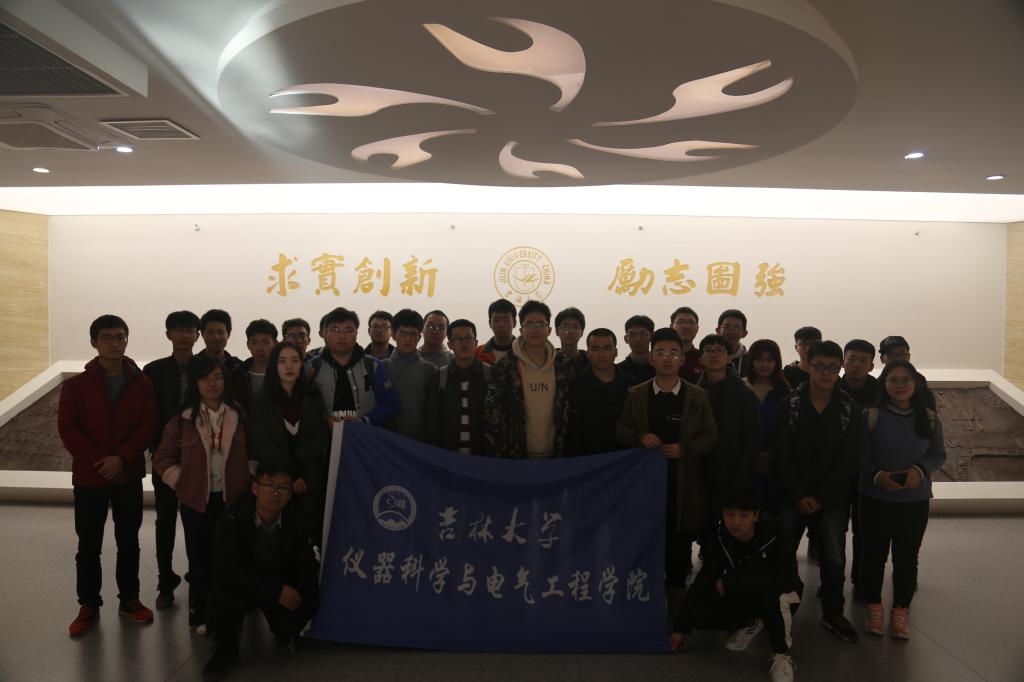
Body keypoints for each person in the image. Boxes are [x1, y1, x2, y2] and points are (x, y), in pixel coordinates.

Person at [59, 314, 159, 637]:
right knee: (88, 544)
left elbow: (148, 424)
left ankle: (129, 599)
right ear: (93, 342)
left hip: (127, 475)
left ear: (127, 340)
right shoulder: (75, 386)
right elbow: (69, 429)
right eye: (107, 337)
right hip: (89, 477)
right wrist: (101, 462)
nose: (115, 344)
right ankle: (88, 603)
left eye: (120, 337)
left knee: (129, 541)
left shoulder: (141, 383)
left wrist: (121, 458)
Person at [153, 354, 250, 635]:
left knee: (230, 557)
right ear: (195, 382)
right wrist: (182, 482)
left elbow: (254, 454)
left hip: (232, 500)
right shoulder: (182, 420)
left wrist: (248, 481)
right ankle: (200, 612)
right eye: (206, 378)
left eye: (218, 377)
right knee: (199, 559)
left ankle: (229, 610)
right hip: (197, 501)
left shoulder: (239, 416)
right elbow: (162, 459)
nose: (213, 383)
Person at [773, 340, 862, 643]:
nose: (826, 372)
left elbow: (848, 459)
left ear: (840, 369)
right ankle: (780, 605)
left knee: (834, 556)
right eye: (820, 366)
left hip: (832, 498)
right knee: (784, 551)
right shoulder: (790, 405)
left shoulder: (849, 409)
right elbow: (782, 454)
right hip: (792, 495)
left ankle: (833, 611)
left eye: (832, 367)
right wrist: (800, 494)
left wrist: (821, 497)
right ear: (808, 366)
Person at [616, 328, 717, 588]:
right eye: (660, 353)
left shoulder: (697, 396)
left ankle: (675, 592)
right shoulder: (636, 394)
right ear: (651, 358)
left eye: (673, 353)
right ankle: (644, 591)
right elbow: (621, 430)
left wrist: (686, 449)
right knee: (645, 534)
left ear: (682, 359)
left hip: (682, 479)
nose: (667, 359)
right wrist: (641, 436)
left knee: (678, 538)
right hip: (645, 481)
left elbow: (710, 436)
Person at [202, 461, 320, 681]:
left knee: (291, 622)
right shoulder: (230, 520)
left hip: (277, 580)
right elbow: (228, 570)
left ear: (289, 494)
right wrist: (276, 591)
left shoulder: (297, 522)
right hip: (243, 585)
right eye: (269, 485)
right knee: (222, 597)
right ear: (255, 488)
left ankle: (286, 630)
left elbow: (306, 566)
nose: (275, 493)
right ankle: (224, 649)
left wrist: (308, 608)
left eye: (283, 488)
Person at [669, 496, 802, 682]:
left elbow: (787, 580)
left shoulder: (776, 533)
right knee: (700, 614)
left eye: (744, 515)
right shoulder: (721, 538)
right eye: (729, 514)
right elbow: (703, 581)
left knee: (777, 599)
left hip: (781, 594)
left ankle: (782, 655)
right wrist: (679, 628)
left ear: (756, 516)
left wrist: (734, 581)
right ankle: (751, 623)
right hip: (745, 594)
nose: (736, 522)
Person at [859, 360, 946, 640]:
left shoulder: (929, 418)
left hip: (914, 501)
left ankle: (900, 611)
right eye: (892, 380)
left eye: (905, 380)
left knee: (907, 558)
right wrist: (877, 476)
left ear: (915, 383)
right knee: (873, 556)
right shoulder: (870, 416)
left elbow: (938, 454)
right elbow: (858, 454)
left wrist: (918, 471)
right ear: (883, 384)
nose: (899, 385)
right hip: (875, 498)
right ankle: (874, 608)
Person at [143, 309, 200, 608]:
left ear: (197, 335)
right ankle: (165, 581)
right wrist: (156, 449)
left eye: (190, 330)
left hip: (199, 458)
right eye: (179, 330)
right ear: (168, 335)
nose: (184, 335)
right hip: (165, 457)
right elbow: (147, 413)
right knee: (165, 519)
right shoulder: (153, 370)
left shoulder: (206, 366)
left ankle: (197, 577)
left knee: (196, 521)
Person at [248, 342, 329, 541]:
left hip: (309, 479)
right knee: (280, 537)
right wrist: (291, 476)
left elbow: (320, 438)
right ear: (274, 366)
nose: (289, 366)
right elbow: (262, 443)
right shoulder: (261, 400)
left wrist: (301, 470)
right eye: (282, 361)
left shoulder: (313, 395)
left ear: (302, 364)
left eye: (294, 360)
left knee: (310, 535)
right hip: (276, 482)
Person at [487, 300, 573, 458]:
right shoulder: (503, 367)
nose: (535, 329)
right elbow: (491, 411)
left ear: (549, 330)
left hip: (558, 456)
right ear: (521, 330)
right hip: (516, 457)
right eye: (529, 324)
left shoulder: (563, 366)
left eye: (540, 324)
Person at [696, 334, 760, 526]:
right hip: (700, 472)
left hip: (734, 472)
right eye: (708, 351)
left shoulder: (744, 393)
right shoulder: (693, 393)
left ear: (729, 357)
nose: (714, 355)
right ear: (701, 358)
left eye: (719, 351)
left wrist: (743, 475)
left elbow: (751, 439)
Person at [307, 306, 399, 427]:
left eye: (348, 330)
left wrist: (364, 421)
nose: (342, 335)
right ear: (326, 333)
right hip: (323, 437)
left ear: (356, 333)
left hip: (363, 436)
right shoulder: (311, 368)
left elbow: (390, 403)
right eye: (335, 329)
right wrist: (324, 421)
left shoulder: (373, 366)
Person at [839, 338, 880, 600]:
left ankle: (861, 579)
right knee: (835, 529)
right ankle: (833, 580)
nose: (856, 364)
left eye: (863, 360)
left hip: (869, 471)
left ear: (871, 365)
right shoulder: (831, 387)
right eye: (852, 358)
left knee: (864, 529)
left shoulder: (881, 392)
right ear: (843, 362)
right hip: (837, 472)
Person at [566, 328, 638, 456]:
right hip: (588, 459)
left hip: (627, 459)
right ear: (588, 353)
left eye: (607, 348)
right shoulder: (574, 387)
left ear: (616, 352)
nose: (602, 354)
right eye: (595, 349)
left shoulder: (632, 386)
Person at [743, 339, 791, 512]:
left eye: (770, 360)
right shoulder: (740, 388)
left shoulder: (785, 391)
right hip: (744, 464)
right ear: (751, 361)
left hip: (777, 465)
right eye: (759, 359)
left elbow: (788, 431)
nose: (764, 365)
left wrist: (770, 456)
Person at [436, 319, 494, 454]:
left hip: (483, 455)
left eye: (468, 338)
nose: (463, 343)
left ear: (476, 343)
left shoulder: (490, 374)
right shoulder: (439, 377)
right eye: (457, 339)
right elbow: (433, 422)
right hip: (448, 456)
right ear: (450, 345)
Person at [384, 309, 439, 442]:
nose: (408, 339)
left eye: (413, 334)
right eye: (403, 333)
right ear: (393, 335)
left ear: (419, 337)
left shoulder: (430, 370)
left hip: (419, 442)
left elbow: (434, 413)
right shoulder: (381, 367)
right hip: (385, 440)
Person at [878, 335, 936, 410]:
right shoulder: (876, 385)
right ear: (882, 359)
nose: (898, 359)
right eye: (891, 355)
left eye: (903, 354)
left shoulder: (920, 380)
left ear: (909, 356)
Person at [231, 319, 278, 411]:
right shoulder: (238, 374)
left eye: (265, 342)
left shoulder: (285, 372)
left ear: (275, 344)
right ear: (248, 345)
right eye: (254, 342)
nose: (260, 348)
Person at [616, 314, 656, 382]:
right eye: (632, 334)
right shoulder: (618, 370)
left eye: (642, 334)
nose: (638, 339)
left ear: (652, 337)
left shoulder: (660, 367)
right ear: (626, 339)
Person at [475, 298, 517, 364]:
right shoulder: (477, 354)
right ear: (490, 323)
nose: (501, 325)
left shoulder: (525, 353)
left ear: (514, 323)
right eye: (496, 320)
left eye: (506, 320)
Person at [670, 306, 702, 384]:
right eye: (680, 322)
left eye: (691, 322)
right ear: (671, 327)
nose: (686, 326)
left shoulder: (703, 358)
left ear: (697, 328)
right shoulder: (662, 357)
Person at [554, 306, 588, 377]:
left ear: (582, 332)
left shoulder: (589, 360)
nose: (570, 331)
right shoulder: (550, 359)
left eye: (575, 327)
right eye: (565, 327)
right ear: (557, 331)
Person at [716, 309, 749, 376]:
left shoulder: (750, 359)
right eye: (727, 327)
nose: (731, 332)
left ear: (744, 333)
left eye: (737, 328)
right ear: (718, 330)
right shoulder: (709, 356)